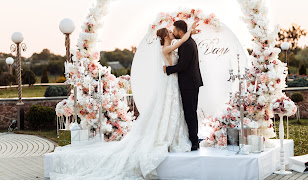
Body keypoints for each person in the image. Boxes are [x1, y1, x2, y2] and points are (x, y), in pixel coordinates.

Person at [49, 22, 200, 180]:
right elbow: (182, 43)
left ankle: (179, 135)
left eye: (173, 31)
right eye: (169, 32)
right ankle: (168, 136)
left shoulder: (173, 46)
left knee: (176, 110)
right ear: (164, 37)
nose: (172, 33)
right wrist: (188, 32)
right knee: (171, 109)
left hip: (174, 83)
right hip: (171, 84)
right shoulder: (166, 48)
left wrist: (189, 33)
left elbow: (182, 46)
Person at [164, 20, 203, 151]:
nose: (173, 32)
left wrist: (168, 70)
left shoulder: (186, 45)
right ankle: (194, 138)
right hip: (192, 83)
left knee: (190, 113)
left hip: (189, 84)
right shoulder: (188, 42)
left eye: (174, 30)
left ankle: (194, 141)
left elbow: (183, 65)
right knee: (191, 112)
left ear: (180, 32)